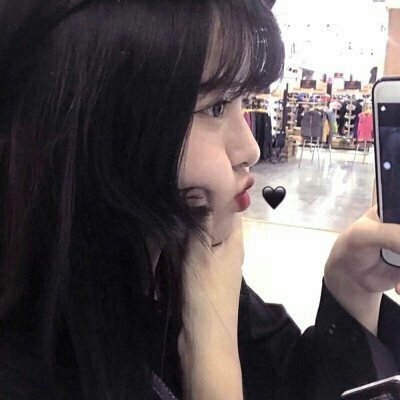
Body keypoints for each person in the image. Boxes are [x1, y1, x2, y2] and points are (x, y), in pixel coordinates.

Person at [0, 1, 399, 399]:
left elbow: (289, 382)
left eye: (243, 103)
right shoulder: (25, 365)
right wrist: (210, 350)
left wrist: (352, 289)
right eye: (216, 108)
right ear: (105, 121)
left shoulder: (188, 265)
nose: (251, 149)